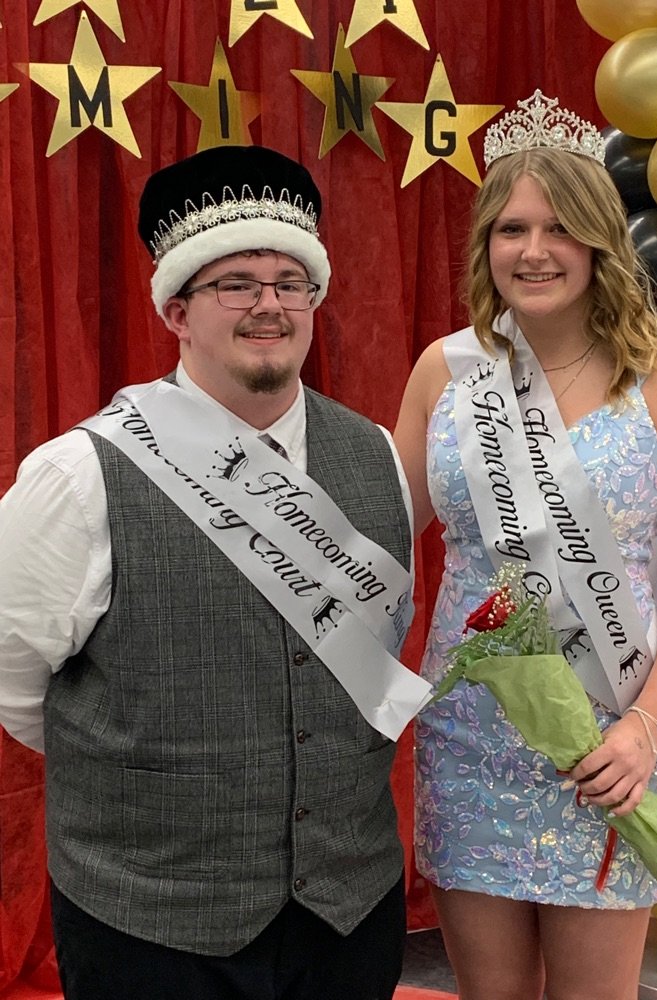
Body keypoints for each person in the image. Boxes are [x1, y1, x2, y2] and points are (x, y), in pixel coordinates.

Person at [0, 144, 433, 1000]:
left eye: (290, 281)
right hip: (152, 924)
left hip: (350, 910)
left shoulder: (375, 454)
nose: (268, 305)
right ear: (176, 310)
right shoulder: (77, 474)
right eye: (235, 282)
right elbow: (19, 691)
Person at [394, 91, 657, 1000]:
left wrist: (645, 728)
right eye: (511, 229)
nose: (534, 251)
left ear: (599, 240)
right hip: (471, 738)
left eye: (560, 227)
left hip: (612, 734)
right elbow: (382, 542)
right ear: (486, 244)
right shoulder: (446, 372)